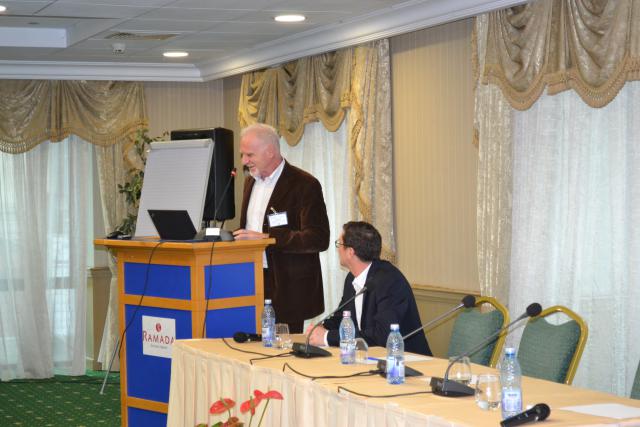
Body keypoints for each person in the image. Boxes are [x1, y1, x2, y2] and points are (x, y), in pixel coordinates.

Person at [233, 123, 330, 333]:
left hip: (288, 287)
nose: (244, 161)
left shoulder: (304, 184)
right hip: (250, 280)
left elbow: (318, 238)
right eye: (243, 155)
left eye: (249, 155)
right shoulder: (250, 183)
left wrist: (268, 238)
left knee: (282, 354)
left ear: (270, 152)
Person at [306, 221, 431, 355]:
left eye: (339, 244)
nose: (337, 249)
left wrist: (327, 337)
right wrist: (321, 328)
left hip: (405, 362)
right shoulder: (351, 278)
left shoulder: (389, 281)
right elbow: (341, 318)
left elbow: (382, 336)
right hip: (369, 358)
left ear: (350, 252)